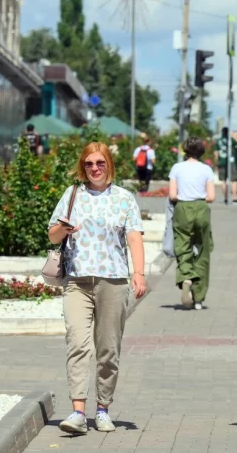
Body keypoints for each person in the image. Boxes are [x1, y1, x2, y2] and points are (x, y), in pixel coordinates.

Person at [48, 142, 146, 434]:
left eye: (100, 163)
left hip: (113, 281)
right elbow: (53, 235)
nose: (94, 168)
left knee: (108, 349)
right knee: (77, 344)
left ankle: (103, 409)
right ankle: (78, 412)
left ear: (109, 165)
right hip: (77, 281)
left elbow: (134, 237)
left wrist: (138, 273)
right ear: (83, 166)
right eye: (89, 163)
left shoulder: (124, 198)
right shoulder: (72, 194)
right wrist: (62, 229)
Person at [169, 137, 216, 310]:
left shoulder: (177, 168)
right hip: (201, 208)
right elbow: (211, 197)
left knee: (183, 247)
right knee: (203, 251)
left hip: (182, 208)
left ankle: (186, 278)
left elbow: (172, 195)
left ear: (185, 150)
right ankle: (199, 298)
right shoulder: (206, 169)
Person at [215, 127, 237, 205]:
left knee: (223, 181)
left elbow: (216, 153)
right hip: (231, 161)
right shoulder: (231, 140)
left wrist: (217, 162)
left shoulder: (218, 141)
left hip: (222, 161)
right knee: (234, 180)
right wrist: (234, 136)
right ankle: (234, 198)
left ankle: (225, 198)